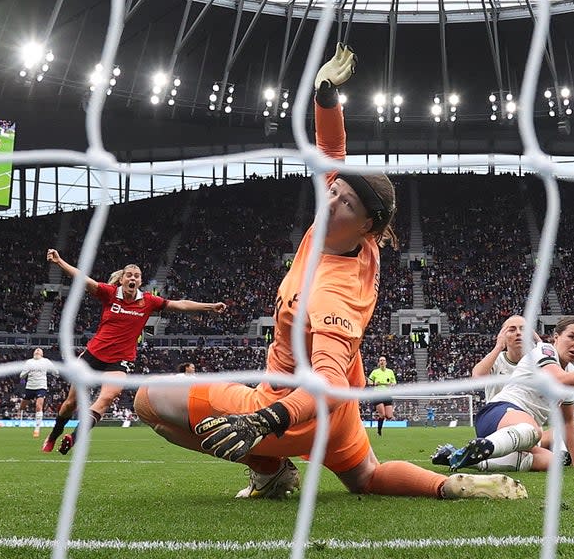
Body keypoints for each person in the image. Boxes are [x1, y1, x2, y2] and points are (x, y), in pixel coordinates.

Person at [133, 44, 525, 502]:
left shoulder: (335, 293)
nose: (331, 200)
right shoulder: (352, 232)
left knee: (148, 401)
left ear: (366, 224)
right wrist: (325, 95)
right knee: (366, 477)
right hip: (338, 418)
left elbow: (329, 383)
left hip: (293, 406)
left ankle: (270, 468)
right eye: (333, 191)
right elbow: (332, 151)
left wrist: (266, 421)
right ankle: (448, 485)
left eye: (344, 202)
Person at [41, 251, 226, 456]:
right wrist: (59, 262)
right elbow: (84, 279)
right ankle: (53, 435)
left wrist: (210, 307)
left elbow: (180, 304)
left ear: (140, 281)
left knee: (106, 399)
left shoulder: (148, 301)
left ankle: (73, 438)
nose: (133, 278)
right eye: (129, 274)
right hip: (93, 355)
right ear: (122, 279)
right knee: (70, 403)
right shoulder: (109, 293)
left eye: (137, 276)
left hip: (120, 361)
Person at [434, 316, 574, 473]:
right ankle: (487, 446)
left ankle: (457, 457)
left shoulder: (571, 372)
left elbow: (568, 422)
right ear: (556, 337)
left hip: (514, 433)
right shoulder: (544, 351)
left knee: (552, 462)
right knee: (534, 430)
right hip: (498, 413)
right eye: (572, 337)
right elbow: (558, 378)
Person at [471, 314, 529, 402]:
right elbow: (477, 376)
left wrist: (540, 344)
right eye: (512, 330)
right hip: (498, 413)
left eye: (523, 329)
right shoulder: (496, 359)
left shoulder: (536, 360)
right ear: (503, 335)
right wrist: (498, 346)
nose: (518, 333)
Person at [19, 348, 54, 438]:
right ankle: (20, 420)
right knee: (22, 406)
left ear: (42, 354)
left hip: (41, 387)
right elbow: (22, 375)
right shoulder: (29, 362)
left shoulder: (46, 361)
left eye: (39, 350)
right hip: (30, 387)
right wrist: (27, 371)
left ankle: (37, 429)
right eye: (36, 350)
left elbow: (55, 370)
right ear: (33, 353)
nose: (37, 350)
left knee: (39, 406)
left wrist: (56, 373)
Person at [367, 355, 397, 436]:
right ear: (379, 363)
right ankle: (379, 431)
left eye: (383, 360)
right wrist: (374, 384)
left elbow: (394, 383)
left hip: (387, 395)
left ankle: (380, 420)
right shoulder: (375, 372)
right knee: (382, 415)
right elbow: (369, 382)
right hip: (378, 394)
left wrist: (391, 384)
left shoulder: (390, 372)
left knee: (389, 416)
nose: (382, 362)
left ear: (386, 362)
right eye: (380, 360)